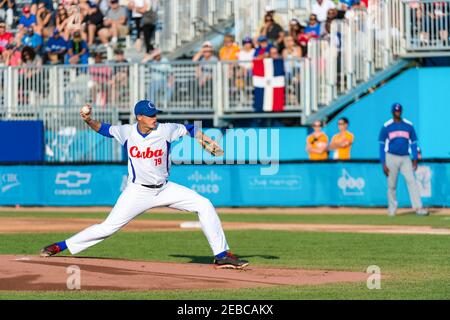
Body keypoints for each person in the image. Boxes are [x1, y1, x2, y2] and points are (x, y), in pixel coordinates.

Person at [40, 100, 249, 270]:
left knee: (204, 204)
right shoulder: (127, 132)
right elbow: (103, 129)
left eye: (155, 114)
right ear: (139, 117)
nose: (155, 118)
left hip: (165, 189)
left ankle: (221, 256)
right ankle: (60, 246)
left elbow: (189, 128)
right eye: (150, 115)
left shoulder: (165, 130)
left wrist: (203, 139)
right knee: (108, 228)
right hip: (138, 191)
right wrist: (88, 120)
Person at [379, 103, 428, 216]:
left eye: (399, 111)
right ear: (392, 112)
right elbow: (381, 146)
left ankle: (418, 208)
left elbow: (413, 143)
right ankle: (392, 209)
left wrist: (415, 158)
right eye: (396, 111)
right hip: (391, 156)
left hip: (405, 157)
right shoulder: (387, 126)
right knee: (391, 184)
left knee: (412, 181)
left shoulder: (408, 125)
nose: (398, 113)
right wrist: (383, 163)